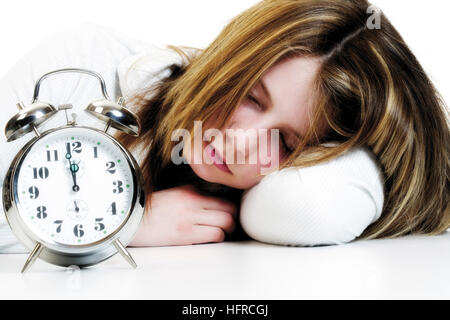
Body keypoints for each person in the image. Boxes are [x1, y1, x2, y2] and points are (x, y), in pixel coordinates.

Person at [0, 0, 448, 252]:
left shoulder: (281, 198)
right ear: (230, 59)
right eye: (251, 96)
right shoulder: (83, 61)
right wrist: (116, 224)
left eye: (287, 142)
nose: (241, 141)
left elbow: (310, 206)